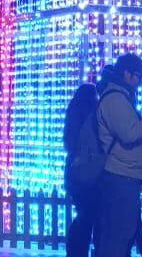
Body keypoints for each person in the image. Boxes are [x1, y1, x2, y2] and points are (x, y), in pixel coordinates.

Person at [94, 53, 142, 257]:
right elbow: (129, 133)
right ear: (127, 74)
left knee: (121, 231)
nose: (140, 82)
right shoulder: (115, 98)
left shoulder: (119, 96)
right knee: (119, 232)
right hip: (120, 174)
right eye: (138, 77)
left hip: (124, 173)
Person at [63, 82, 104, 257]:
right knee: (89, 217)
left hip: (73, 172)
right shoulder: (92, 116)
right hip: (89, 173)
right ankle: (80, 251)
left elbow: (68, 143)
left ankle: (76, 251)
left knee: (83, 215)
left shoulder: (72, 113)